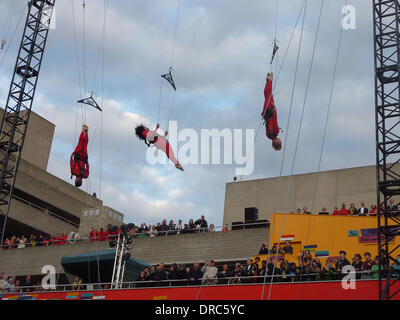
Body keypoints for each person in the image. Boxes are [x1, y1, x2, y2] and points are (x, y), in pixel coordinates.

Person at [261, 72, 282, 151]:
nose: (280, 140)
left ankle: (270, 80)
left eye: (280, 141)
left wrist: (274, 109)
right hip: (265, 114)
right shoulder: (268, 136)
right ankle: (268, 81)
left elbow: (275, 119)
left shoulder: (276, 131)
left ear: (278, 141)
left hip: (270, 111)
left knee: (269, 95)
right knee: (267, 96)